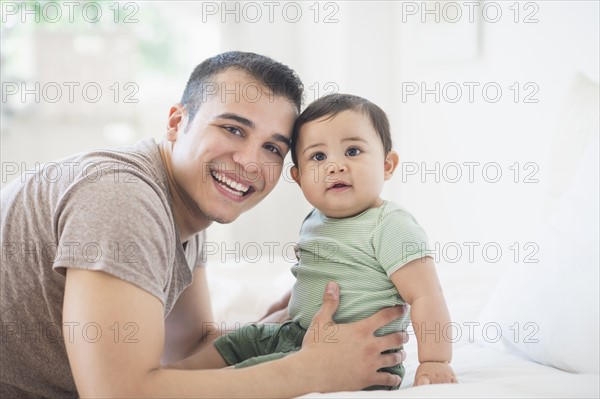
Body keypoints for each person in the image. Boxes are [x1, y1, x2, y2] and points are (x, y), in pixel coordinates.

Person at [0, 52, 409, 398]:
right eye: (232, 128)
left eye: (272, 147)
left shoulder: (181, 210)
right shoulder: (123, 198)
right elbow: (119, 392)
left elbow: (184, 353)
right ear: (177, 123)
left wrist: (282, 330)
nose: (250, 162)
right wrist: (309, 372)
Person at [172, 93, 457, 388]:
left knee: (254, 371)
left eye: (353, 151)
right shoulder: (315, 218)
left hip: (358, 353)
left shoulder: (390, 224)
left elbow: (426, 295)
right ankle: (172, 373)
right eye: (318, 157)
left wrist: (435, 360)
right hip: (296, 334)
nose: (335, 166)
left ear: (387, 165)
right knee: (239, 340)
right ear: (299, 177)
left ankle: (196, 388)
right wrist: (290, 305)